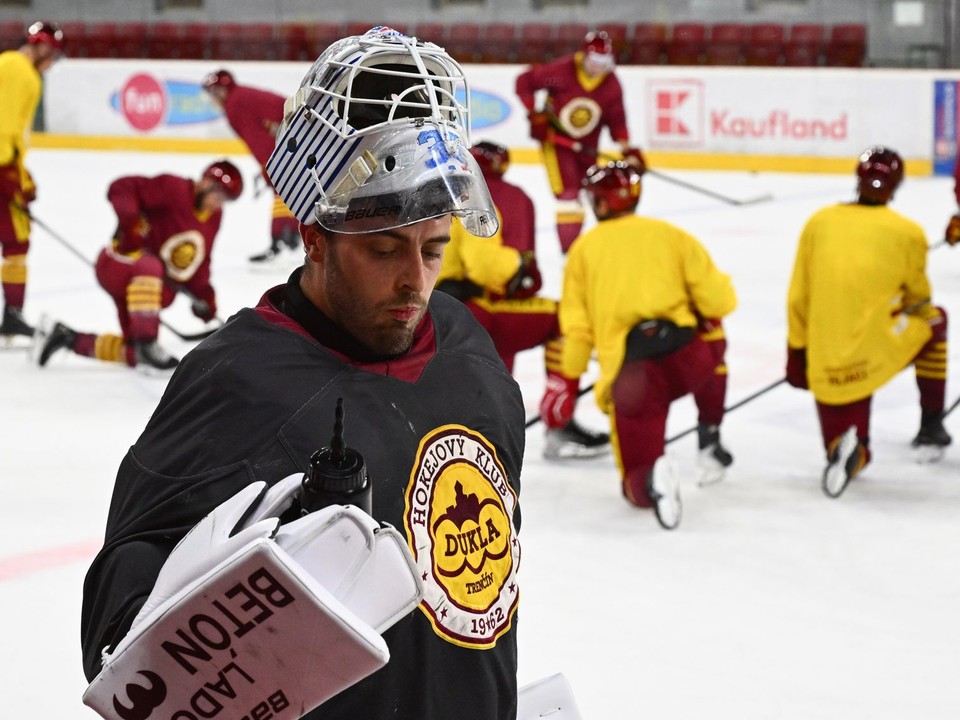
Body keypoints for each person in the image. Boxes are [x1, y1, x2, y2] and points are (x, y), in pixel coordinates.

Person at [79, 26, 524, 720]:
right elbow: (124, 638)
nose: (416, 281)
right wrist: (239, 597)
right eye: (384, 251)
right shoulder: (237, 379)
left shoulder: (466, 346)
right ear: (315, 238)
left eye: (434, 249)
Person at [554, 160, 736, 529]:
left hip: (634, 380)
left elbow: (578, 331)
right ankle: (710, 431)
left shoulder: (583, 251)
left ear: (601, 203)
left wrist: (568, 383)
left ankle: (653, 478)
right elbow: (720, 302)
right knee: (713, 334)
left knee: (635, 488)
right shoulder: (672, 235)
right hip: (687, 360)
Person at [786, 146, 950, 498]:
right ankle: (931, 424)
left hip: (825, 362)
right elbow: (919, 301)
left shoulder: (819, 222)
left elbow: (798, 296)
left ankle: (850, 451)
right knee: (936, 321)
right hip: (875, 354)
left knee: (846, 443)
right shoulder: (907, 232)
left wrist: (797, 352)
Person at [436, 139, 609, 459]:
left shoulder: (436, 191)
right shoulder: (489, 196)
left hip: (433, 311)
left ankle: (486, 419)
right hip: (474, 309)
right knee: (561, 318)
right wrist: (518, 265)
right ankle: (559, 423)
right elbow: (486, 268)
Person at [35, 160, 242, 370]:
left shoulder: (214, 216)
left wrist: (203, 294)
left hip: (144, 288)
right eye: (219, 197)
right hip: (120, 265)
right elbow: (121, 187)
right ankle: (148, 343)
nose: (218, 204)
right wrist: (130, 224)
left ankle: (68, 338)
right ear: (206, 183)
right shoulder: (174, 189)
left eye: (225, 201)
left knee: (135, 353)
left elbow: (199, 257)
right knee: (150, 267)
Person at [515, 29, 646, 254]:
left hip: (588, 145)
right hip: (557, 143)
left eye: (604, 62)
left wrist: (627, 149)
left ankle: (592, 243)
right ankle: (570, 250)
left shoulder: (611, 84)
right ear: (584, 56)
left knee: (592, 190)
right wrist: (533, 113)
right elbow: (524, 81)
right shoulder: (561, 71)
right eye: (595, 61)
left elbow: (617, 119)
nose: (599, 67)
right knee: (568, 194)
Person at [0, 20, 63, 341]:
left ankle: (12, 315)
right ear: (41, 47)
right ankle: (12, 316)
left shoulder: (12, 64)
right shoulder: (20, 70)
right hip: (2, 168)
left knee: (15, 240)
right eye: (52, 53)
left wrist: (22, 175)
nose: (53, 61)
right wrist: (11, 176)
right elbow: (4, 127)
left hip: (7, 165)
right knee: (17, 240)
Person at [202, 68, 300, 265]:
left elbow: (256, 137)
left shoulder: (234, 104)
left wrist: (268, 165)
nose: (212, 99)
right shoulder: (240, 96)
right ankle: (291, 238)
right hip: (299, 133)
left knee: (282, 185)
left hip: (296, 135)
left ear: (220, 91)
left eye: (213, 93)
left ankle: (282, 241)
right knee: (289, 186)